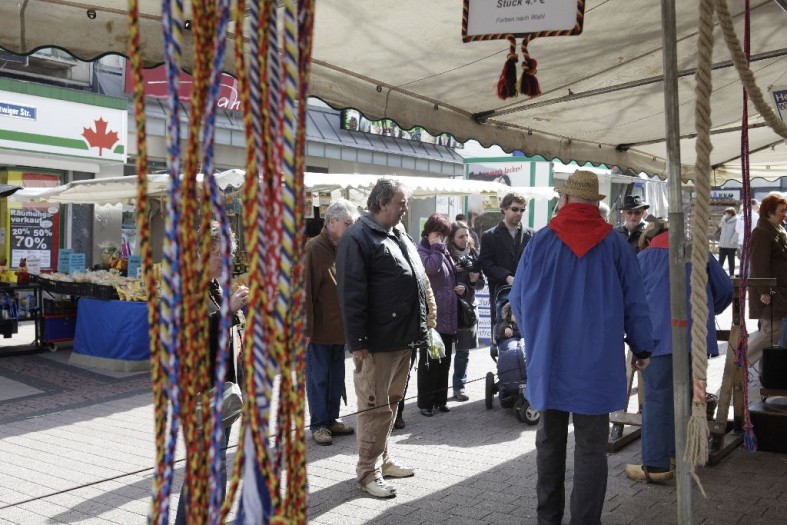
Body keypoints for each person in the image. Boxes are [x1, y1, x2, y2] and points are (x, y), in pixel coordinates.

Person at [509, 170, 654, 525]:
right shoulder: (616, 245)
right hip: (596, 361)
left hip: (550, 357)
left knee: (549, 441)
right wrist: (641, 348)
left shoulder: (541, 241)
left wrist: (537, 337)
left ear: (565, 199)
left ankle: (548, 520)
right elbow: (636, 302)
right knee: (591, 448)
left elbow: (517, 300)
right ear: (595, 203)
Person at [336, 178, 427, 499]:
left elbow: (416, 281)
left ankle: (383, 461)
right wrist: (358, 342)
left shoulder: (397, 233)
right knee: (375, 408)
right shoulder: (358, 237)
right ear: (382, 203)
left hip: (402, 338)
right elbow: (351, 294)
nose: (405, 208)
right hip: (376, 343)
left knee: (391, 404)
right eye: (401, 203)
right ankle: (367, 472)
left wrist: (424, 327)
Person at [626, 219, 732, 483]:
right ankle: (679, 454)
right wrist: (707, 311)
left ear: (650, 239)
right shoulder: (699, 254)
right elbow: (726, 290)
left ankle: (655, 466)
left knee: (657, 399)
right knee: (689, 397)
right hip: (695, 339)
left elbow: (630, 302)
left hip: (658, 338)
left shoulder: (644, 258)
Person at [175, 221, 250, 525]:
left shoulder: (213, 285)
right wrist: (227, 312)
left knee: (212, 467)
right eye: (219, 254)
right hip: (198, 393)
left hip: (220, 390)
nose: (224, 261)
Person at [304, 199, 359, 446]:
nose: (351, 227)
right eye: (348, 222)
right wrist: (306, 329)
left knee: (336, 377)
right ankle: (319, 424)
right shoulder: (314, 248)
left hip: (339, 329)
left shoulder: (344, 246)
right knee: (319, 378)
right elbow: (305, 292)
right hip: (318, 330)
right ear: (332, 222)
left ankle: (331, 419)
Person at [416, 213, 459, 416]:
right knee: (429, 362)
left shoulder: (443, 250)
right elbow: (431, 268)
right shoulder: (422, 251)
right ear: (428, 232)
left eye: (443, 234)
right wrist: (437, 247)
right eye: (437, 233)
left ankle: (440, 400)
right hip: (432, 316)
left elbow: (451, 277)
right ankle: (425, 403)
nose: (440, 238)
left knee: (445, 360)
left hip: (448, 314)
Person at [479, 192, 534, 334]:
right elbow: (485, 264)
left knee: (526, 336)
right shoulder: (490, 236)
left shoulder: (532, 235)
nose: (519, 213)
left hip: (526, 294)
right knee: (503, 335)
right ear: (504, 209)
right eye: (514, 209)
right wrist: (506, 277)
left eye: (522, 210)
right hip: (501, 293)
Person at [747, 194, 787, 367]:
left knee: (773, 331)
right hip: (769, 291)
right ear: (770, 212)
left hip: (777, 290)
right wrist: (763, 291)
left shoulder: (776, 230)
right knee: (772, 330)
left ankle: (759, 370)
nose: (784, 214)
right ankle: (740, 364)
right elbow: (759, 264)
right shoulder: (762, 233)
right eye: (781, 211)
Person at [447, 221, 484, 401]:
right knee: (445, 352)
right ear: (452, 238)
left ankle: (459, 387)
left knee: (463, 351)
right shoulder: (446, 255)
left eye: (466, 236)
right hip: (448, 308)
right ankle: (438, 390)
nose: (464, 239)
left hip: (467, 309)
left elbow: (480, 284)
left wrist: (473, 281)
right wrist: (452, 272)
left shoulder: (474, 254)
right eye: (460, 236)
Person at [717, 207, 738, 277]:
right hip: (722, 244)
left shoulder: (736, 220)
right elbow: (719, 227)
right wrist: (721, 222)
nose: (726, 214)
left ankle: (731, 274)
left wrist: (733, 240)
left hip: (731, 245)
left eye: (728, 213)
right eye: (725, 213)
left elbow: (737, 232)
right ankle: (718, 274)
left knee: (731, 260)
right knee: (721, 260)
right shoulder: (723, 219)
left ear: (732, 214)